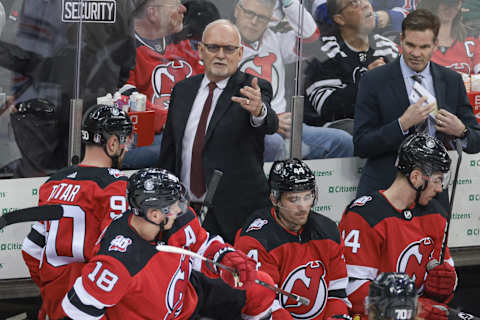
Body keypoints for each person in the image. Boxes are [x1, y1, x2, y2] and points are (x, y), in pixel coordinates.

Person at [60, 168, 276, 319]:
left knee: (260, 285)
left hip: (188, 296)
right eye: (174, 205)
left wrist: (225, 258)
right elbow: (77, 310)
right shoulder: (117, 261)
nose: (179, 210)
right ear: (154, 214)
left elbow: (200, 244)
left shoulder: (176, 221)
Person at [159, 19, 278, 244]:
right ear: (201, 51)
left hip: (234, 215)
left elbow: (268, 122)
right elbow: (169, 150)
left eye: (229, 49)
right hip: (183, 212)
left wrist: (259, 110)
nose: (221, 55)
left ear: (240, 52)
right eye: (213, 47)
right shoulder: (182, 91)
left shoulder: (252, 88)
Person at [21, 104, 133, 320]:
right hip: (90, 302)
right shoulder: (116, 187)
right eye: (124, 143)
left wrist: (49, 284)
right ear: (112, 143)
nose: (125, 149)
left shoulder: (52, 183)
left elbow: (31, 247)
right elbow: (115, 255)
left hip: (55, 297)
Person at [353, 8, 480, 198]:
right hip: (385, 190)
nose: (416, 53)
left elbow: (475, 141)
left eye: (424, 47)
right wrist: (401, 124)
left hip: (433, 193)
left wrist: (461, 131)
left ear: (435, 44)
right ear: (401, 40)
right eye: (410, 45)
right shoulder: (374, 80)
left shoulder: (451, 80)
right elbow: (362, 145)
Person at [338, 133, 456, 320]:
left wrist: (445, 285)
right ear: (416, 177)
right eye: (437, 180)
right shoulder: (364, 215)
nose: (440, 188)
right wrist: (415, 308)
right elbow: (353, 290)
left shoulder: (436, 213)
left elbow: (446, 272)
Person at [234, 0, 354, 160]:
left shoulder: (275, 38)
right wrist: (269, 120)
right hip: (248, 127)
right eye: (249, 13)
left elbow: (311, 39)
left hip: (285, 126)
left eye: (262, 17)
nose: (254, 21)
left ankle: (307, 184)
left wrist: (289, 4)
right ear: (237, 10)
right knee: (273, 142)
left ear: (270, 18)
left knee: (343, 142)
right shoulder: (223, 43)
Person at [235, 159, 351, 319]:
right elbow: (264, 305)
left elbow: (336, 292)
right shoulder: (256, 240)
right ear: (275, 199)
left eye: (308, 197)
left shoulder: (328, 231)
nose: (303, 207)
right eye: (293, 199)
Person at [120, 0, 207, 169]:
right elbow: (124, 100)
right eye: (176, 4)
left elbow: (207, 84)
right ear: (152, 13)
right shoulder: (125, 51)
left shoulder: (184, 44)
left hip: (190, 129)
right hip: (149, 138)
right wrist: (173, 119)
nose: (183, 9)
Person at [304, 0, 399, 135]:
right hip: (337, 131)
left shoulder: (387, 47)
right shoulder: (324, 51)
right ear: (340, 19)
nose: (366, 5)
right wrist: (367, 82)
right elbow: (327, 108)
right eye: (354, 3)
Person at [418, 0, 480, 75]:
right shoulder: (415, 41)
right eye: (446, 4)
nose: (450, 8)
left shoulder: (473, 38)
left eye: (455, 4)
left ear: (459, 5)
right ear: (433, 4)